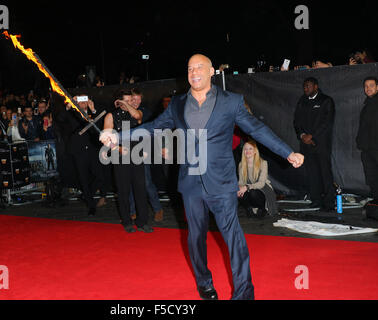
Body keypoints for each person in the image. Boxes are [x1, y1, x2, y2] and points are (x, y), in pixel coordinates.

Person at [100, 54, 304, 300]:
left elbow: (256, 129)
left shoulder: (231, 102)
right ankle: (204, 282)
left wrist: (287, 152)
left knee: (233, 238)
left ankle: (244, 293)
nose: (194, 72)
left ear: (211, 72)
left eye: (199, 67)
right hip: (191, 183)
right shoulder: (176, 104)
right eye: (189, 68)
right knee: (196, 239)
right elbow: (152, 128)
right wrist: (117, 136)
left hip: (221, 183)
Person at [102, 89, 152, 233]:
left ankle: (142, 221)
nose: (132, 103)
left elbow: (137, 116)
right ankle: (127, 221)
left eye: (131, 100)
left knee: (140, 189)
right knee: (123, 190)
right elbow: (105, 139)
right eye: (128, 101)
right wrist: (117, 148)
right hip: (120, 157)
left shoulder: (137, 113)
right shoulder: (110, 116)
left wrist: (127, 104)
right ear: (119, 102)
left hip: (137, 156)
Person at [293, 77, 336, 211]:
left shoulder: (326, 100)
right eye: (304, 86)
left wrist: (313, 136)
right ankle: (316, 200)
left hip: (321, 144)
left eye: (308, 86)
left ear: (316, 87)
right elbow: (296, 121)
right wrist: (302, 135)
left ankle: (329, 202)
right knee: (312, 174)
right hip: (306, 145)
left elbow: (327, 122)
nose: (306, 88)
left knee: (325, 173)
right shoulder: (302, 101)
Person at [63, 94, 107, 216]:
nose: (82, 103)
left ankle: (87, 195)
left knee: (100, 176)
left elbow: (100, 127)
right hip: (79, 151)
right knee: (83, 178)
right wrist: (69, 105)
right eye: (80, 101)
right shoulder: (73, 114)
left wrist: (93, 110)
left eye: (84, 100)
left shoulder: (93, 113)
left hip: (93, 149)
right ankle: (91, 205)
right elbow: (62, 119)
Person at [129, 88, 164, 222]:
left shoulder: (144, 111)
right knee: (130, 183)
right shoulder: (124, 113)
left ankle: (158, 209)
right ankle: (132, 211)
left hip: (143, 152)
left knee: (147, 182)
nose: (136, 102)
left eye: (139, 99)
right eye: (134, 99)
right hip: (127, 152)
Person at [237, 140, 278, 217]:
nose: (247, 151)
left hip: (263, 188)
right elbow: (241, 182)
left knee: (253, 193)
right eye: (245, 149)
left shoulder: (263, 163)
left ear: (255, 151)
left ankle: (262, 208)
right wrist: (239, 188)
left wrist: (247, 187)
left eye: (250, 149)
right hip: (248, 188)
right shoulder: (241, 164)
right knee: (238, 192)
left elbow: (261, 183)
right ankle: (249, 209)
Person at [356, 76, 378, 203]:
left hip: (376, 147)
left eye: (371, 85)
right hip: (367, 149)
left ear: (377, 87)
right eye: (366, 86)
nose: (368, 88)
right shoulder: (367, 104)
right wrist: (360, 142)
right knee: (372, 177)